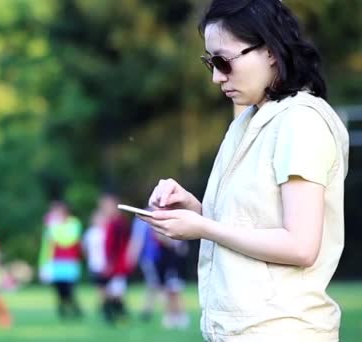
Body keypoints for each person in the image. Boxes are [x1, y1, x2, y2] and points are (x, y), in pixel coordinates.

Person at [140, 0, 349, 340]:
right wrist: (193, 210)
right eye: (210, 62)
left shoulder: (300, 122)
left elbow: (300, 246)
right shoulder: (250, 120)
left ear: (270, 50)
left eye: (223, 61)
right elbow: (255, 222)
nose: (216, 77)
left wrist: (204, 227)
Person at [128, 215, 190, 329]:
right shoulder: (148, 219)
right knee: (165, 288)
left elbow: (181, 247)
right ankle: (169, 315)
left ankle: (179, 315)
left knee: (173, 289)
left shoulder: (172, 218)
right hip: (161, 262)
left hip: (173, 263)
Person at [38, 201, 83, 320]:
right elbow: (47, 246)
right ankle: (63, 311)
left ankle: (75, 309)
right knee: (58, 290)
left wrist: (54, 227)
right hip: (55, 262)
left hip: (69, 261)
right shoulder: (52, 226)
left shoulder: (73, 223)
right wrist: (43, 264)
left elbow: (67, 240)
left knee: (69, 289)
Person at [99, 193, 133, 324]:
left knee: (116, 292)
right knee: (111, 291)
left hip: (118, 265)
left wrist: (111, 263)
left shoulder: (119, 223)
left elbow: (117, 246)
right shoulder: (110, 223)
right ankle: (114, 316)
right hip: (113, 264)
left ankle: (119, 315)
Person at [81, 210, 108, 315]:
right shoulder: (91, 233)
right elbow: (85, 248)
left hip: (106, 264)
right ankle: (102, 305)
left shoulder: (107, 231)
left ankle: (106, 305)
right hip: (95, 264)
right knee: (100, 287)